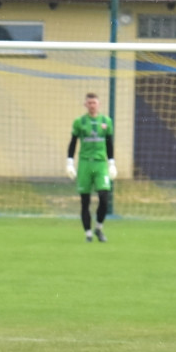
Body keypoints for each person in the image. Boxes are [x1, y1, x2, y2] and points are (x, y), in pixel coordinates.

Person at [66, 92, 117, 243]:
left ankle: (99, 228)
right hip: (85, 163)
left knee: (104, 197)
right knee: (85, 200)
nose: (92, 105)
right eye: (89, 103)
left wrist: (112, 163)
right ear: (85, 105)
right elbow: (73, 142)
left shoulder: (106, 121)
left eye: (94, 103)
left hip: (100, 164)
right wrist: (69, 162)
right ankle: (88, 233)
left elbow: (109, 143)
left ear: (99, 104)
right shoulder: (79, 122)